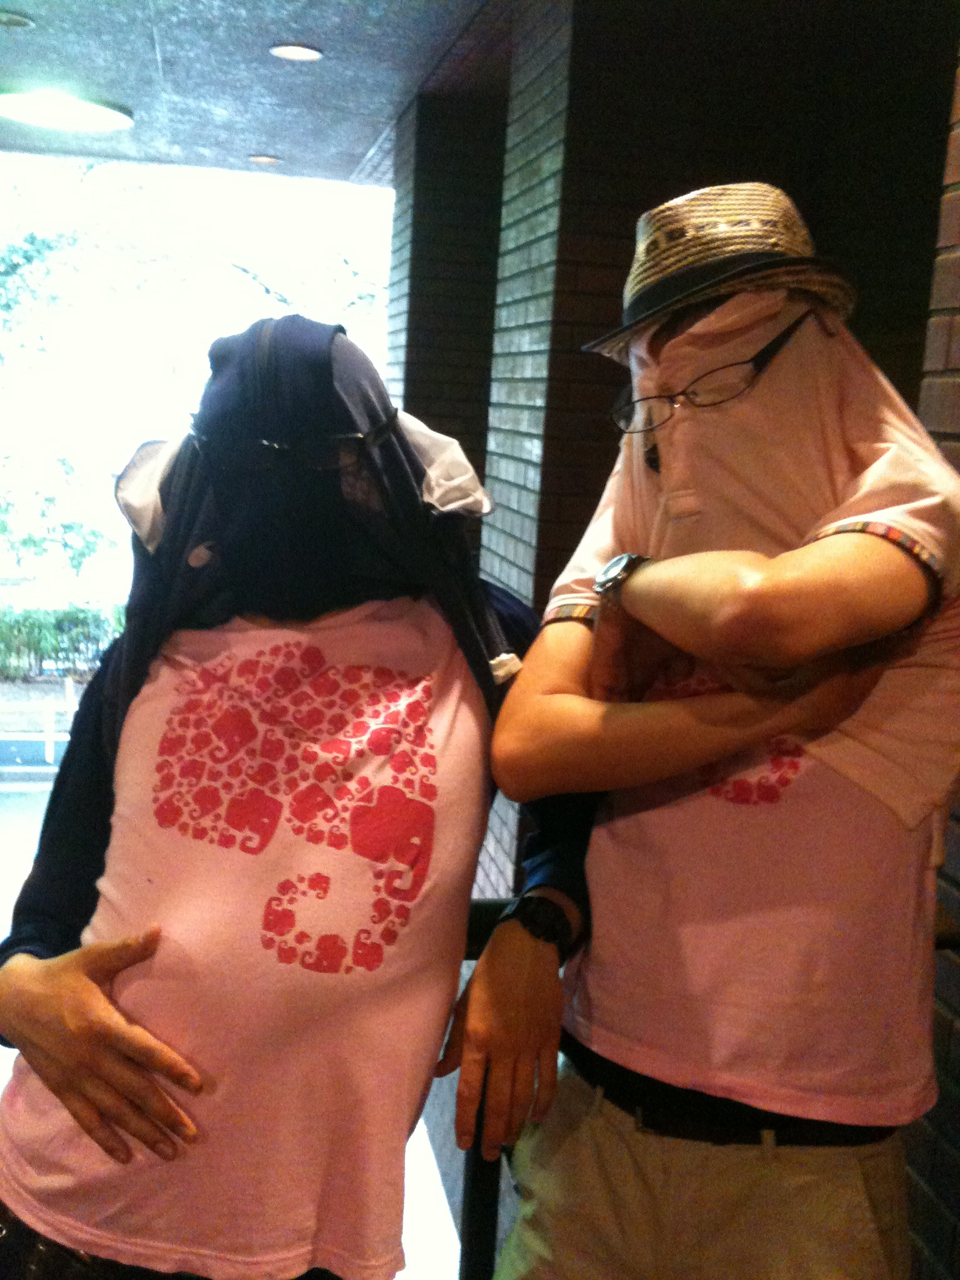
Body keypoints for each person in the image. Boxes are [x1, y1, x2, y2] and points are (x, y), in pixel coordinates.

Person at [444, 183, 960, 1280]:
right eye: (655, 388)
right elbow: (532, 747)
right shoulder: (642, 490)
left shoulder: (913, 504)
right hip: (596, 1102)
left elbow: (761, 615)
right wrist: (774, 708)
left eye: (717, 372)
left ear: (812, 347)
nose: (681, 418)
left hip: (805, 1152)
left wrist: (626, 588)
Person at [0, 315, 543, 1280]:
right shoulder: (147, 657)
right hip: (74, 1209)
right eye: (252, 470)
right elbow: (44, 921)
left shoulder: (480, 642)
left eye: (328, 466)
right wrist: (11, 991)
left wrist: (538, 929)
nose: (289, 497)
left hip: (313, 1234)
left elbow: (582, 807)